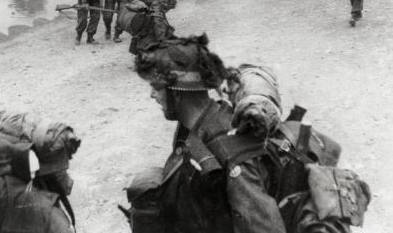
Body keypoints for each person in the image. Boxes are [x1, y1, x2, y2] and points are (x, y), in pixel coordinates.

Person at [124, 33, 371, 233]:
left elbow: (264, 227)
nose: (152, 95)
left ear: (178, 91)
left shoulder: (232, 153)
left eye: (156, 87)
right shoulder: (199, 123)